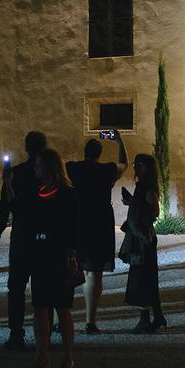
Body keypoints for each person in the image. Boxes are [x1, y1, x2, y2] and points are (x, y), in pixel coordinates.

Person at [0, 130, 47, 350]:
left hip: (22, 235)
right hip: (43, 236)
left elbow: (5, 205)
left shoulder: (16, 173)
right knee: (42, 286)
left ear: (27, 147)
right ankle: (45, 333)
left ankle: (16, 333)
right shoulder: (49, 174)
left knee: (16, 287)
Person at [66, 131, 128, 333]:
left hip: (78, 219)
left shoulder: (73, 168)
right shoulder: (107, 170)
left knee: (69, 268)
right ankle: (90, 321)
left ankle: (61, 319)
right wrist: (119, 141)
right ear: (99, 153)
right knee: (95, 273)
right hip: (100, 221)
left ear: (85, 152)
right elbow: (124, 165)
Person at [28, 148, 78, 368]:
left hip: (59, 256)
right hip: (40, 254)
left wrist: (71, 253)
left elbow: (74, 227)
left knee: (62, 307)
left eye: (39, 165)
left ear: (49, 167)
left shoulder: (67, 194)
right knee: (39, 307)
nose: (35, 168)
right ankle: (42, 354)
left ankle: (67, 356)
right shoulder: (37, 192)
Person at [119, 154, 166, 334]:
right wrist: (132, 202)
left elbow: (154, 210)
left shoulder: (146, 187)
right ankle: (158, 315)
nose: (134, 168)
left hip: (143, 237)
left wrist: (134, 203)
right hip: (144, 236)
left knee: (141, 278)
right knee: (147, 277)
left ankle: (145, 320)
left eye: (136, 164)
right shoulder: (147, 186)